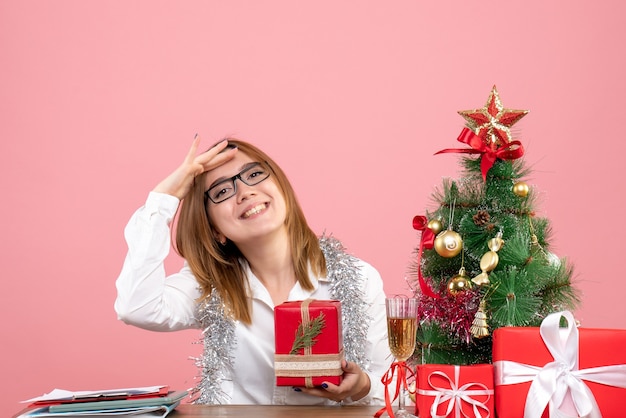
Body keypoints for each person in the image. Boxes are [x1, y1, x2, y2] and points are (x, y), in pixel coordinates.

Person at [114, 136, 391, 406]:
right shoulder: (208, 285)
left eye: (254, 174)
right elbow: (136, 307)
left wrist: (363, 386)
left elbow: (391, 388)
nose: (245, 192)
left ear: (280, 186)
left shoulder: (359, 279)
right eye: (222, 192)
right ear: (215, 229)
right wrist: (164, 198)